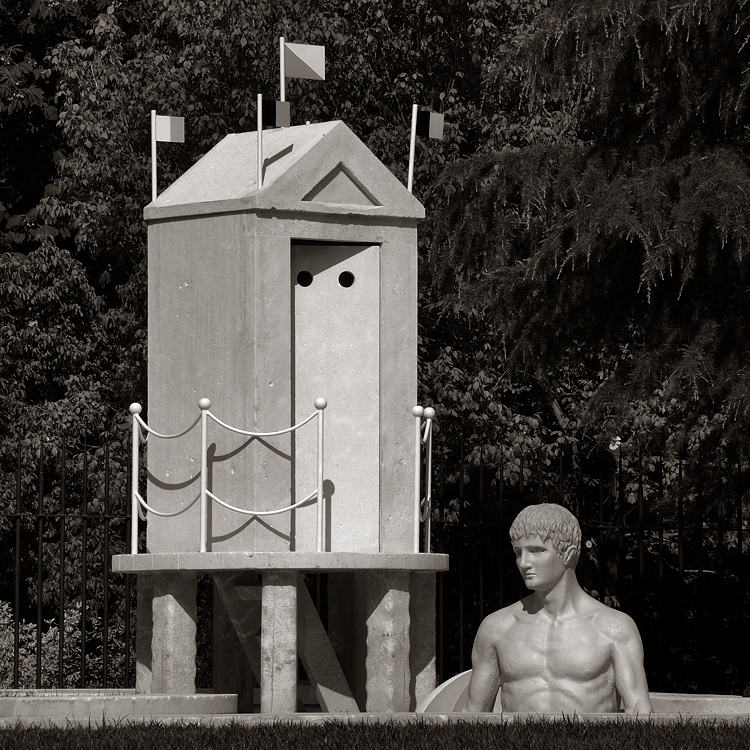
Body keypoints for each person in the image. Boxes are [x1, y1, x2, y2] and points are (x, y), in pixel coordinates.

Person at [462, 502, 652, 714]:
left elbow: (639, 712)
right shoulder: (497, 628)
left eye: (536, 550)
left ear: (568, 554)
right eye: (518, 552)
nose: (524, 562)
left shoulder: (613, 628)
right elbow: (472, 714)